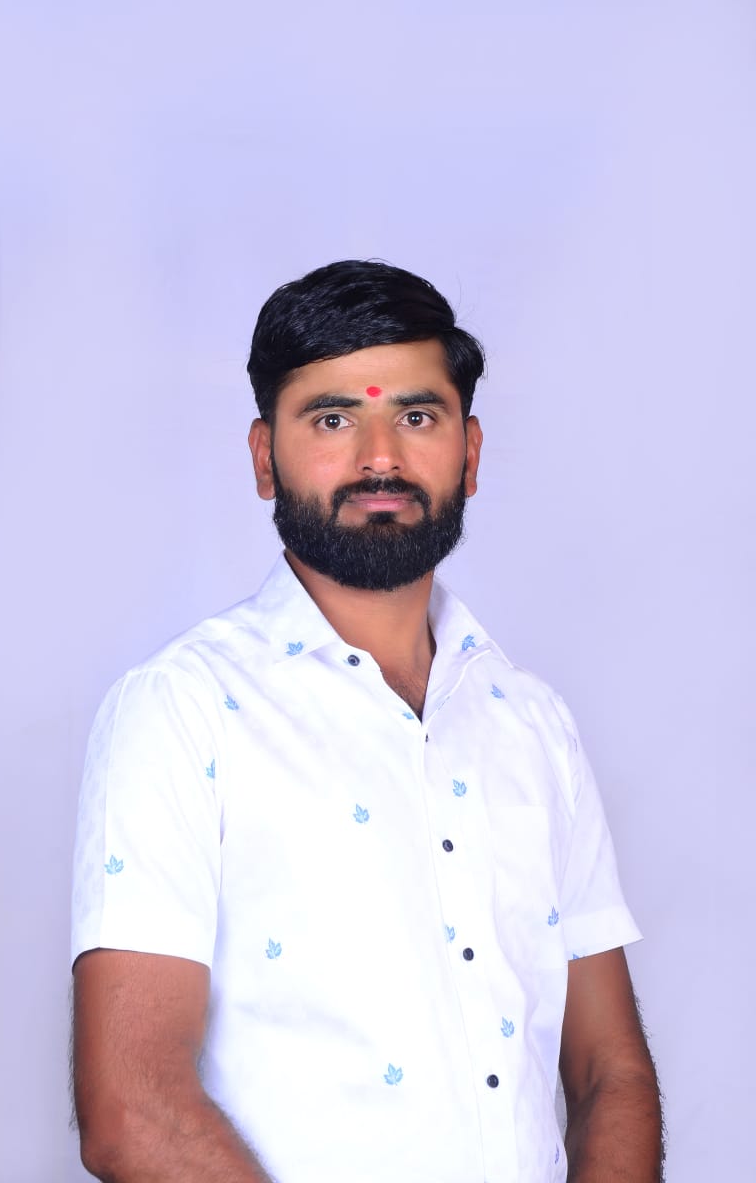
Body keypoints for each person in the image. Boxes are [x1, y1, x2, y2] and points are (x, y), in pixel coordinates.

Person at [71, 259, 663, 1182]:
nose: (380, 458)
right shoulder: (182, 711)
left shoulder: (532, 724)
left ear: (470, 453)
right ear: (264, 458)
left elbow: (610, 1071)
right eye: (333, 419)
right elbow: (132, 1108)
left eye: (416, 417)